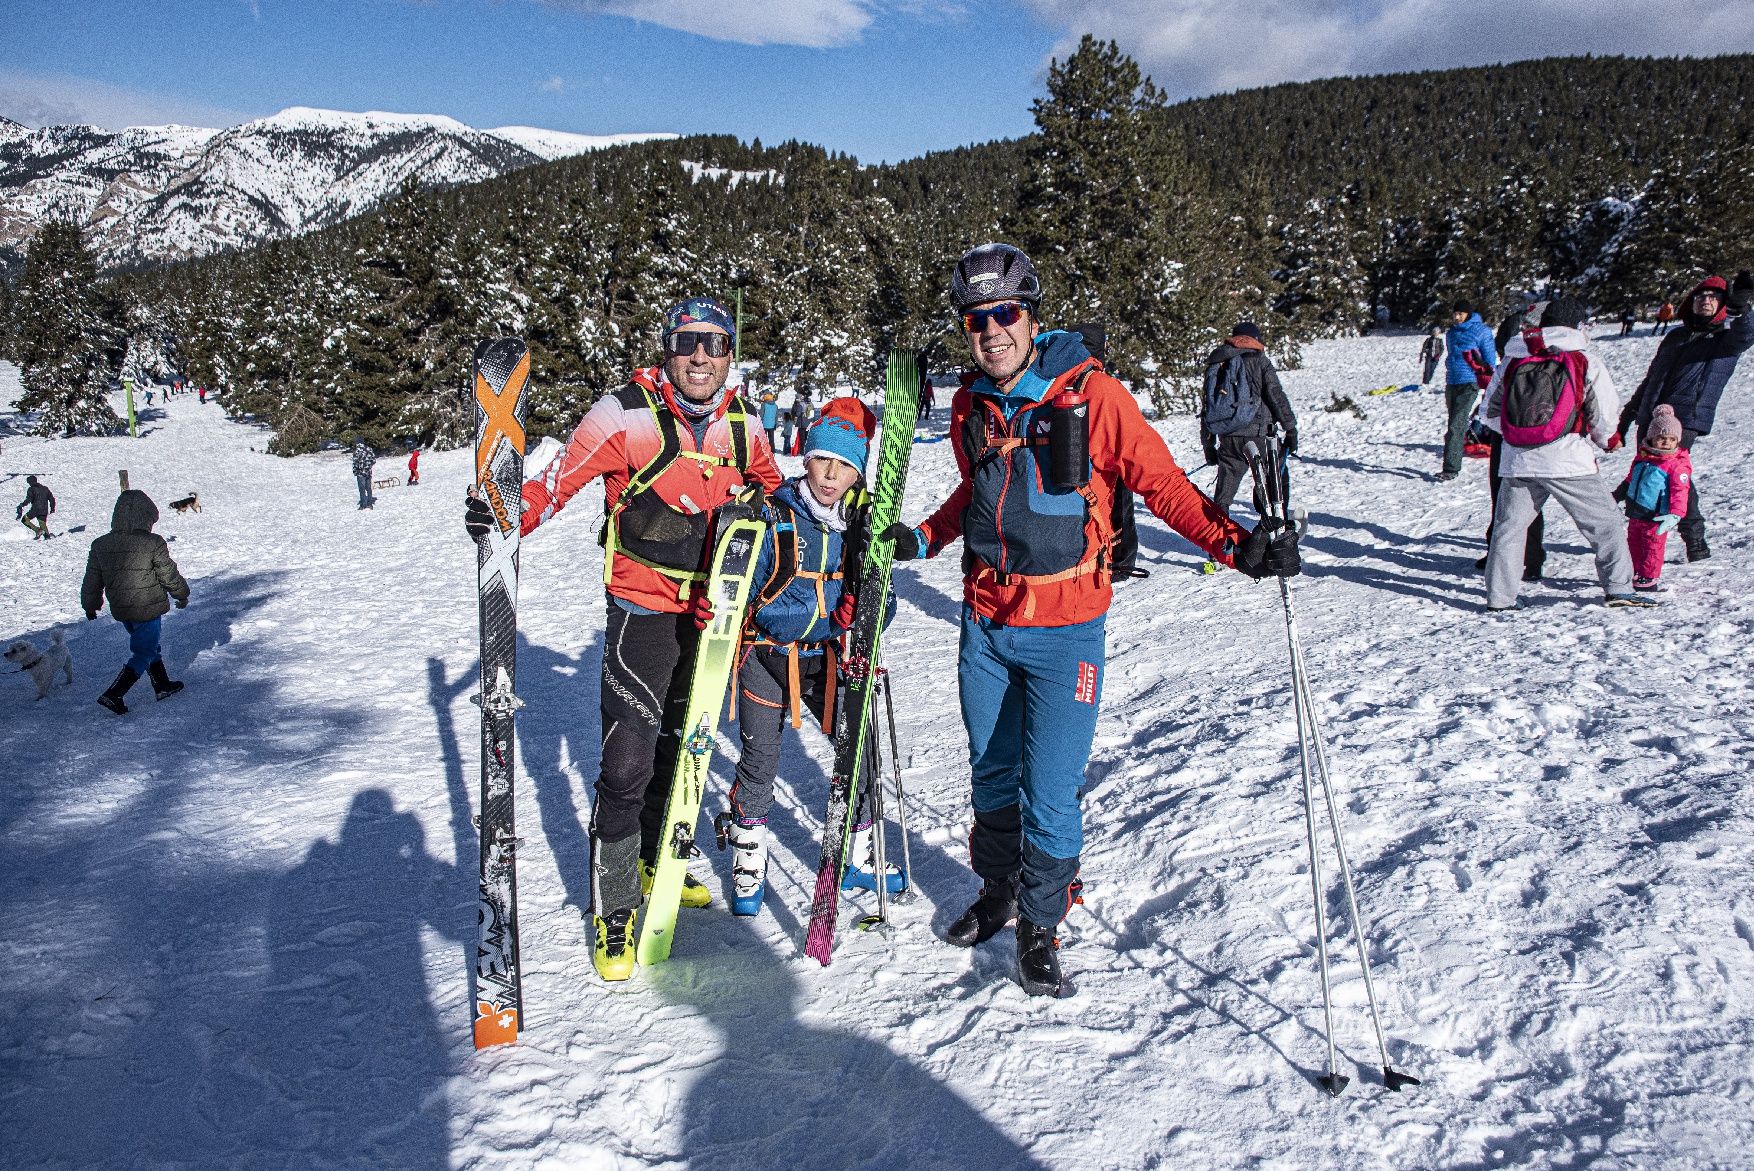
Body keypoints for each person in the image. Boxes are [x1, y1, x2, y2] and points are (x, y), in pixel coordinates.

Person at [884, 243, 1302, 998]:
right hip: (984, 619)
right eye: (976, 320)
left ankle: (1042, 922)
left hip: (1066, 627)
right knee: (991, 772)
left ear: (1032, 317)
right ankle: (1000, 890)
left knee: (1049, 788)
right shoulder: (970, 402)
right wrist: (920, 538)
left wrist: (1239, 546)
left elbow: (1167, 487)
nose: (991, 332)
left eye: (1005, 314)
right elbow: (971, 497)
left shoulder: (1093, 396)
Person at [467, 295, 781, 981]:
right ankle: (612, 904)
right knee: (629, 759)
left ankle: (655, 862)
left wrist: (759, 526)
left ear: (730, 355)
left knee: (684, 750)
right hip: (640, 611)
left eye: (715, 343)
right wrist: (501, 510)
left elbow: (772, 495)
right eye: (687, 341)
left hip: (711, 615)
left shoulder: (744, 424)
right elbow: (555, 486)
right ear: (667, 346)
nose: (701, 355)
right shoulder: (621, 415)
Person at [717, 398, 899, 916]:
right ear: (806, 456)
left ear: (857, 472)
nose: (830, 475)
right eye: (822, 460)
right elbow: (752, 600)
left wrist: (866, 607)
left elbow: (887, 605)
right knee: (760, 763)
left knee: (857, 755)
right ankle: (749, 861)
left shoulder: (861, 528)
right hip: (767, 657)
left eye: (844, 466)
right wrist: (824, 609)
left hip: (828, 658)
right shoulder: (775, 515)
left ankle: (855, 855)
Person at [1478, 298, 1655, 611]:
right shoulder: (1584, 358)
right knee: (1606, 523)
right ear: (1577, 324)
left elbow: (1489, 412)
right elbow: (1603, 414)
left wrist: (1520, 434)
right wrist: (1604, 440)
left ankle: (1499, 598)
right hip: (1567, 459)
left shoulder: (1515, 356)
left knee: (1509, 529)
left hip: (1517, 459)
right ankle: (1618, 587)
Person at [1614, 272, 1753, 563]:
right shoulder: (1675, 336)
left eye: (1714, 297)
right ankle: (1644, 534)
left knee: (1672, 473)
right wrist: (1627, 416)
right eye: (1701, 296)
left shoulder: (1724, 338)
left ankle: (1694, 538)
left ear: (1722, 305)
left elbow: (1746, 334)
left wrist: (1742, 308)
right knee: (1649, 472)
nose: (1706, 300)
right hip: (1651, 416)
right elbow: (1651, 378)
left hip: (1686, 418)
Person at [81, 489, 190, 714]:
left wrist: (90, 605)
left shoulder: (101, 544)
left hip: (122, 608)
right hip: (147, 607)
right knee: (143, 652)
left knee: (148, 646)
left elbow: (92, 578)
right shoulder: (152, 542)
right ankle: (114, 694)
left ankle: (162, 685)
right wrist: (181, 593)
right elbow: (167, 574)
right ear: (146, 516)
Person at [1200, 321, 1298, 521]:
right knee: (1277, 483)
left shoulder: (1220, 362)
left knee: (1223, 497)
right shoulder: (1259, 360)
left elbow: (1208, 407)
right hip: (1260, 437)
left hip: (1229, 438)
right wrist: (1290, 429)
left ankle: (1217, 540)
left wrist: (1209, 447)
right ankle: (1279, 531)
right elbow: (1275, 395)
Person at [1617, 405, 1692, 592]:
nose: (1666, 443)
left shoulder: (1676, 465)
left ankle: (1649, 577)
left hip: (1657, 516)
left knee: (1652, 547)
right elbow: (1630, 479)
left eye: (1671, 439)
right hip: (1636, 511)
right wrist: (1618, 494)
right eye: (1661, 438)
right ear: (1651, 437)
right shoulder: (1643, 457)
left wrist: (1675, 515)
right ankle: (1634, 571)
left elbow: (1680, 492)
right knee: (1633, 543)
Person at [1439, 301, 1498, 481]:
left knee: (1456, 424)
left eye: (1461, 314)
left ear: (1469, 314)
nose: (1456, 317)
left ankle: (1451, 468)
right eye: (1455, 313)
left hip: (1470, 381)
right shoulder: (1451, 333)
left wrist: (1489, 381)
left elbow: (1489, 360)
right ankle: (1463, 446)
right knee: (1455, 422)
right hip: (1452, 381)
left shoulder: (1482, 332)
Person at [15, 474, 55, 540]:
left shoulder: (31, 489)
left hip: (35, 509)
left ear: (30, 482)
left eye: (29, 483)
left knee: (24, 520)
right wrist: (52, 508)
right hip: (44, 509)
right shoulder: (45, 488)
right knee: (42, 523)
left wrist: (22, 505)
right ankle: (47, 536)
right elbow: (52, 499)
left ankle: (38, 530)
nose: (29, 484)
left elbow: (28, 499)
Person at [783, 390, 813, 456]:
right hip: (808, 423)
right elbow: (812, 414)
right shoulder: (810, 403)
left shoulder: (800, 404)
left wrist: (795, 416)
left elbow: (798, 413)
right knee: (806, 438)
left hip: (802, 423)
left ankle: (802, 452)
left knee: (802, 439)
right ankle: (807, 450)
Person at [352, 439, 377, 509]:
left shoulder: (357, 451)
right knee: (368, 488)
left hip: (360, 473)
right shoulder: (369, 449)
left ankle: (363, 505)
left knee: (362, 489)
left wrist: (355, 471)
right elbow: (374, 460)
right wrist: (369, 466)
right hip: (368, 472)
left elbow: (355, 463)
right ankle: (369, 503)